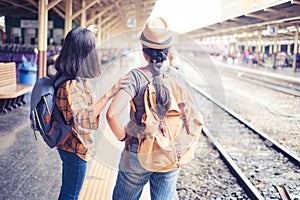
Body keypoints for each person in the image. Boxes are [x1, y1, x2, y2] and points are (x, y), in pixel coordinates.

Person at [106, 17, 183, 200]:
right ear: (167, 52)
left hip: (137, 150)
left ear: (143, 51)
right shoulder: (178, 76)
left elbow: (111, 115)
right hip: (169, 150)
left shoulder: (135, 76)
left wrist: (123, 136)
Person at [54, 27, 128, 200]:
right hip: (75, 148)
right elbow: (84, 119)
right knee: (70, 195)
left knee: (69, 191)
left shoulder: (72, 78)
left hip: (70, 146)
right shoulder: (71, 85)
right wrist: (110, 93)